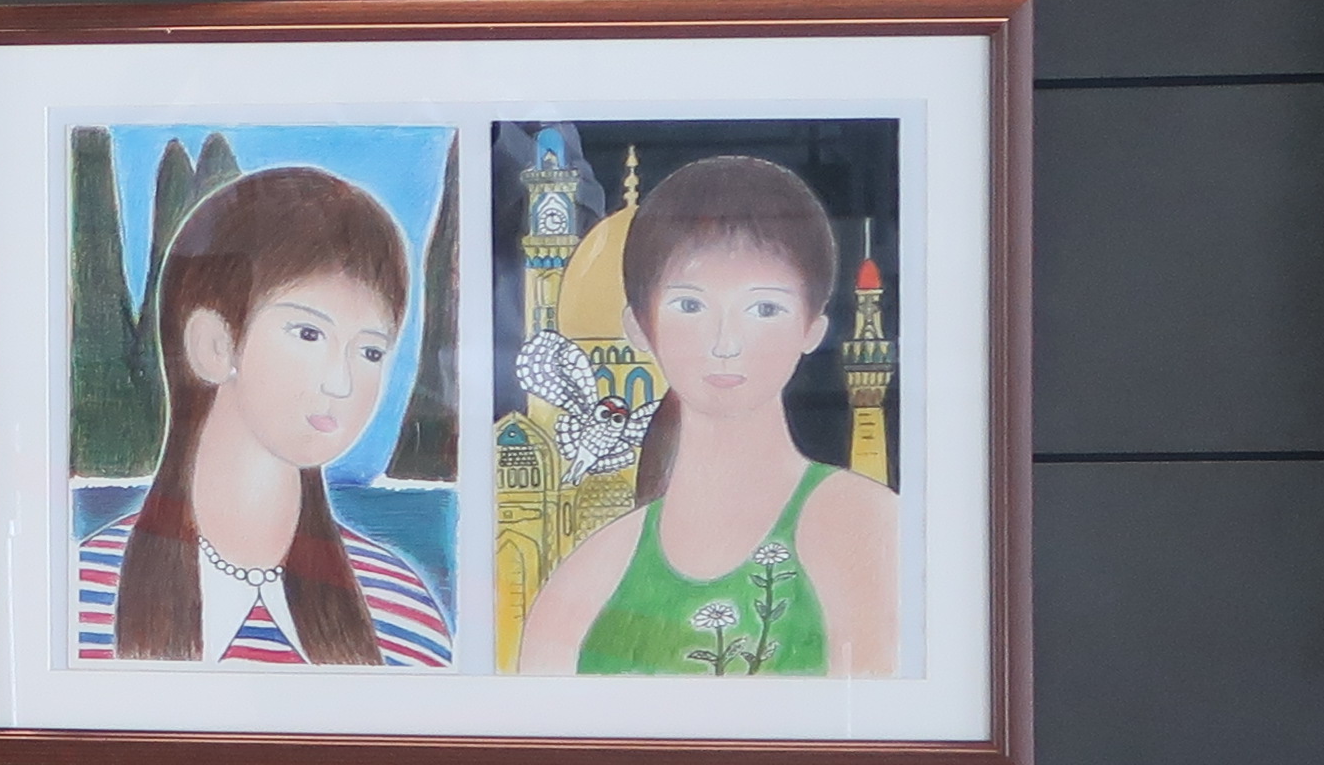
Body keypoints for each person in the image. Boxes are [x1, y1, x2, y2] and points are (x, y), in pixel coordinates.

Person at [517, 153, 902, 679]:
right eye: (691, 306)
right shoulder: (585, 582)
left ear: (813, 329)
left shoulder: (869, 530)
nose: (725, 343)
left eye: (764, 309)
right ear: (639, 327)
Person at [80, 165, 451, 666]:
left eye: (370, 352)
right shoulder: (82, 598)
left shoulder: (402, 612)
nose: (341, 383)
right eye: (309, 334)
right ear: (213, 344)